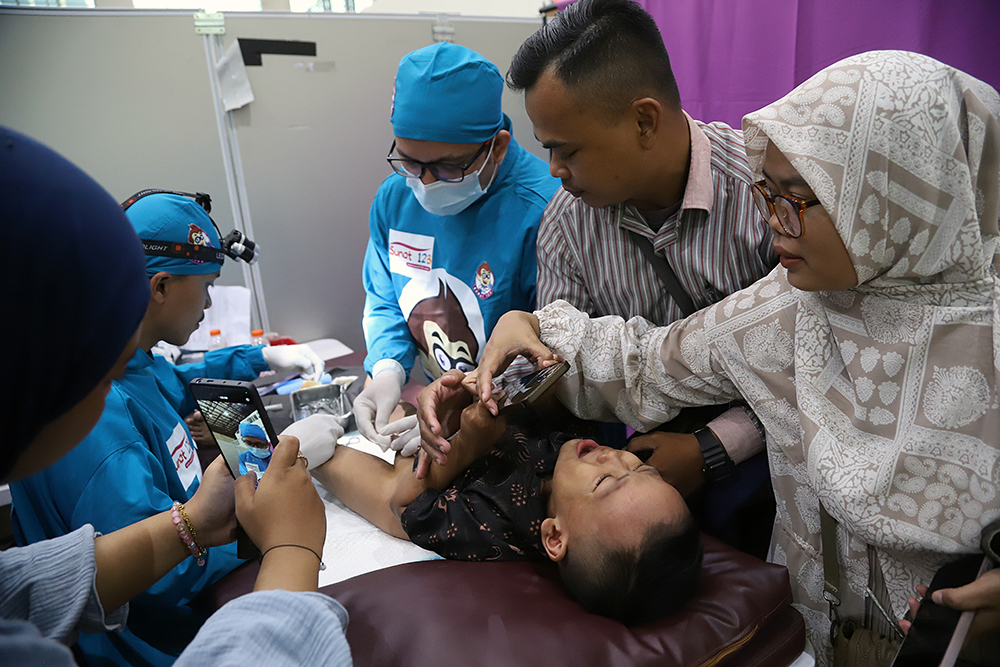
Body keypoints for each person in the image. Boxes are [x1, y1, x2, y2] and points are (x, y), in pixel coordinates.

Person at [425, 51, 1000, 662]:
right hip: (813, 634)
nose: (773, 223)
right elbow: (648, 364)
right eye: (766, 194)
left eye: (798, 199)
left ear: (893, 191)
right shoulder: (793, 307)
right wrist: (528, 325)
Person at [0, 126, 351, 666]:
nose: (210, 303)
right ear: (158, 288)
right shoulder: (100, 428)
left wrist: (263, 356)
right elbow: (159, 583)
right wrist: (273, 540)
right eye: (206, 287)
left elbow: (172, 375)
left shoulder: (133, 364)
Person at [497, 0, 780, 551]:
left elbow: (816, 368)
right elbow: (565, 376)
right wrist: (511, 362)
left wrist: (714, 446)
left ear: (645, 120)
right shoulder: (566, 222)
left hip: (773, 465)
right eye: (546, 148)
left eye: (567, 150)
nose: (553, 171)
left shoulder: (766, 195)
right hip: (635, 466)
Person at [315, 372, 701, 625]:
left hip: (427, 477)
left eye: (603, 482)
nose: (615, 456)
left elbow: (406, 507)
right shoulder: (574, 457)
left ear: (554, 536)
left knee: (362, 472)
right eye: (640, 468)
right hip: (459, 437)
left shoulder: (495, 525)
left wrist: (465, 443)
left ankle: (310, 452)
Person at [353, 41, 559, 457]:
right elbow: (386, 301)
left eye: (448, 167)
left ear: (497, 147)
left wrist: (475, 404)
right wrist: (387, 370)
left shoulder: (545, 210)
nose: (425, 183)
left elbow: (559, 350)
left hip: (536, 430)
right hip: (445, 414)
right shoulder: (395, 201)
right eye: (410, 162)